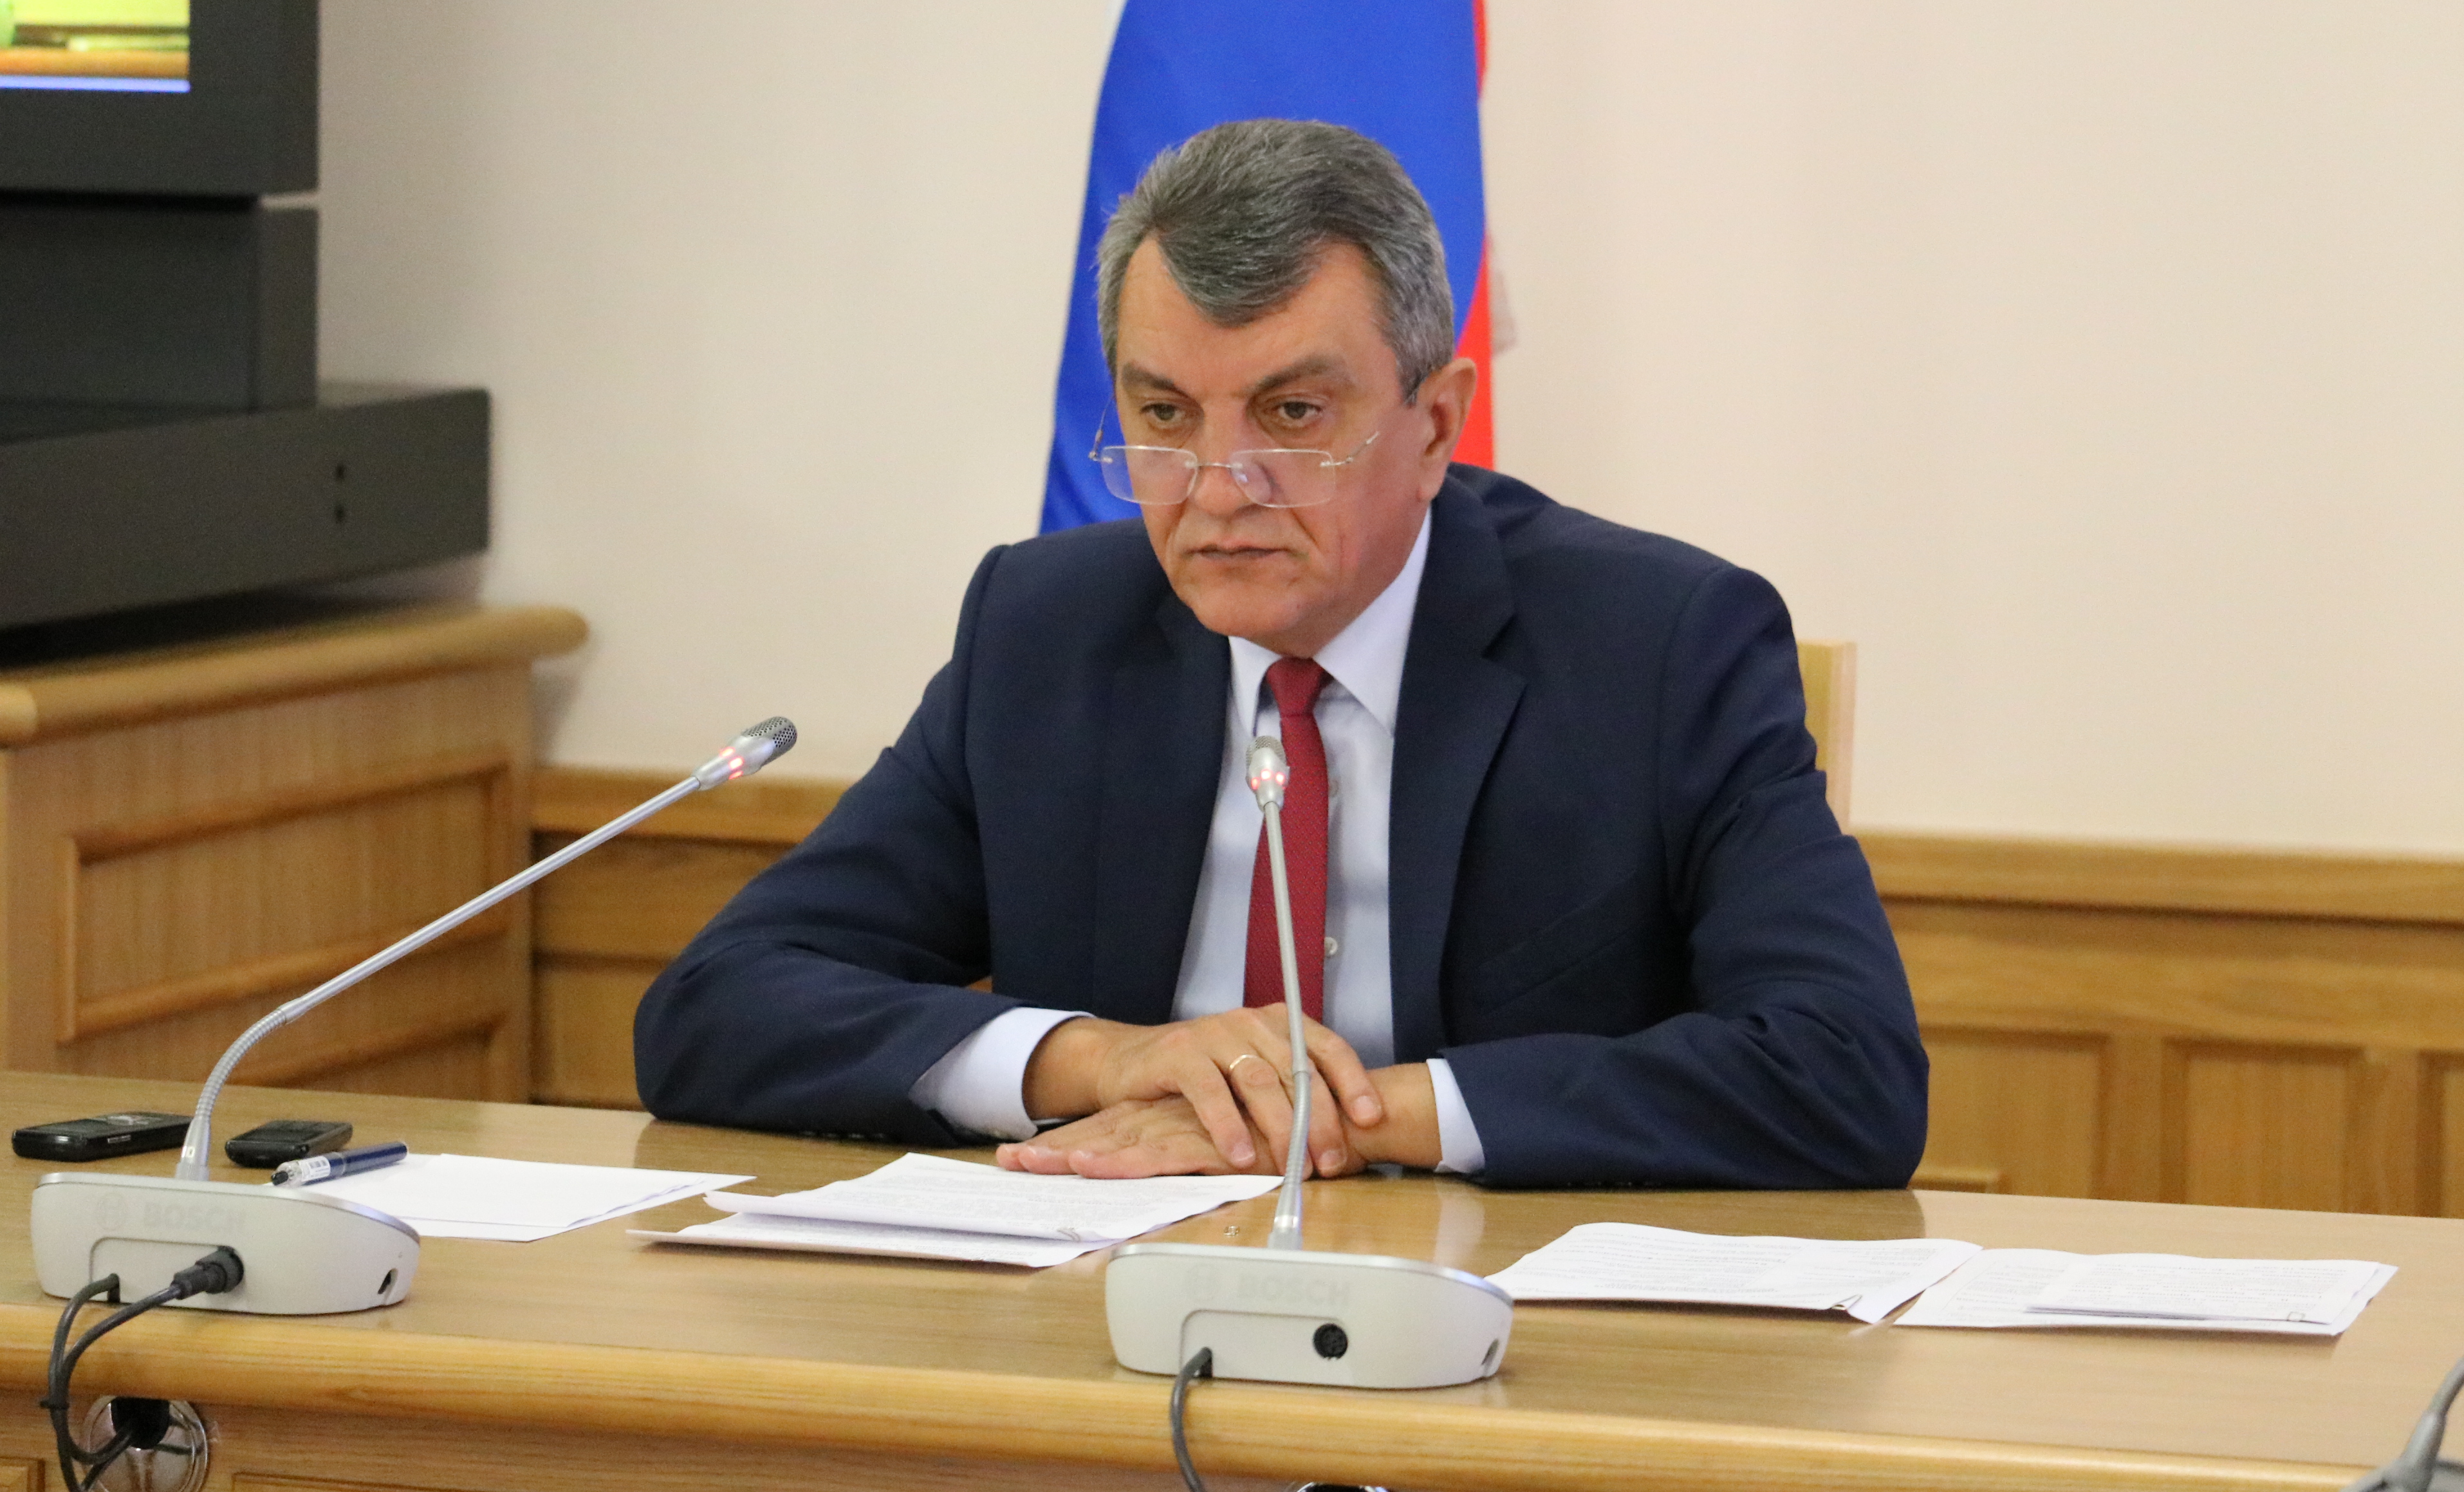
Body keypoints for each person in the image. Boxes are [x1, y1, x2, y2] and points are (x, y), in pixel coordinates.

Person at [634, 119, 1927, 1189]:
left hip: (1499, 1325)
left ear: (1435, 426)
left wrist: (1349, 1113)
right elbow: (719, 1006)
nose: (1218, 487)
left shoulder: (1660, 647)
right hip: (1096, 1305)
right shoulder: (1045, 631)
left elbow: (1847, 1069)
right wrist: (1108, 1060)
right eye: (1164, 413)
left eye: (1293, 413)